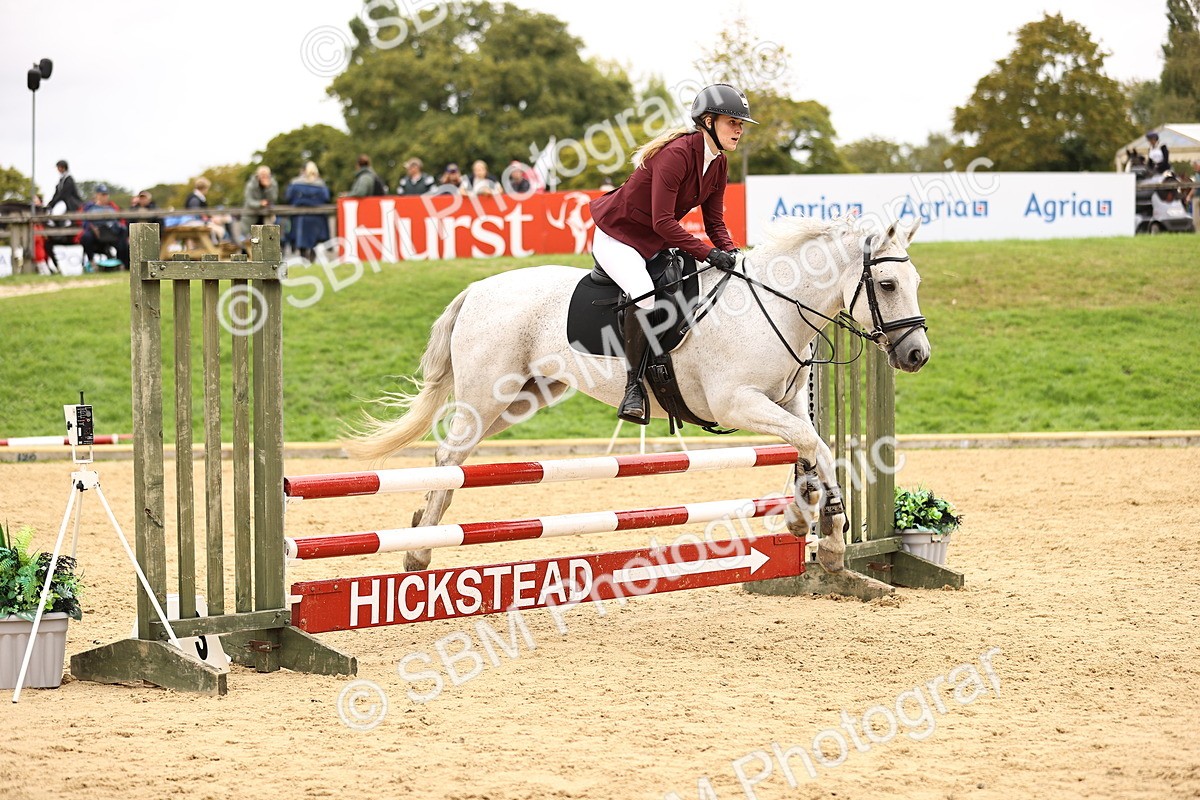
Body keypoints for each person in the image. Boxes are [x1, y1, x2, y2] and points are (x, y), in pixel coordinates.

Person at [587, 83, 756, 424]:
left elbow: (714, 221)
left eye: (741, 124)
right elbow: (663, 221)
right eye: (731, 122)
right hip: (619, 236)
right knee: (645, 297)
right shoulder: (676, 155)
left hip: (654, 241)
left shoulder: (718, 163)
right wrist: (709, 254)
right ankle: (633, 388)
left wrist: (730, 253)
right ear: (708, 121)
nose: (739, 129)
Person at [284, 161, 331, 261]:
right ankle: (311, 260)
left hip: (300, 217)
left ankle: (304, 260)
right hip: (317, 217)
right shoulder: (321, 185)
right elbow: (326, 198)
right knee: (315, 240)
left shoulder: (295, 184)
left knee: (301, 239)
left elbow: (288, 197)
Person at [79, 184, 129, 269]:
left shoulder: (112, 207)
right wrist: (93, 228)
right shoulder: (89, 207)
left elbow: (119, 221)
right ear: (97, 195)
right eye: (102, 194)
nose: (105, 197)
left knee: (123, 231)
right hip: (96, 234)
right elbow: (85, 222)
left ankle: (122, 263)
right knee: (86, 237)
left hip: (111, 233)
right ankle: (91, 262)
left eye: (106, 194)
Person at [242, 166, 279, 237]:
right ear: (258, 175)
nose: (264, 177)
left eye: (266, 175)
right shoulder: (250, 185)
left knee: (268, 237)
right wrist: (260, 203)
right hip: (251, 216)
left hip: (267, 215)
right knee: (251, 239)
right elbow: (249, 201)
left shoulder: (273, 184)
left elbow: (273, 198)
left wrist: (268, 188)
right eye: (262, 174)